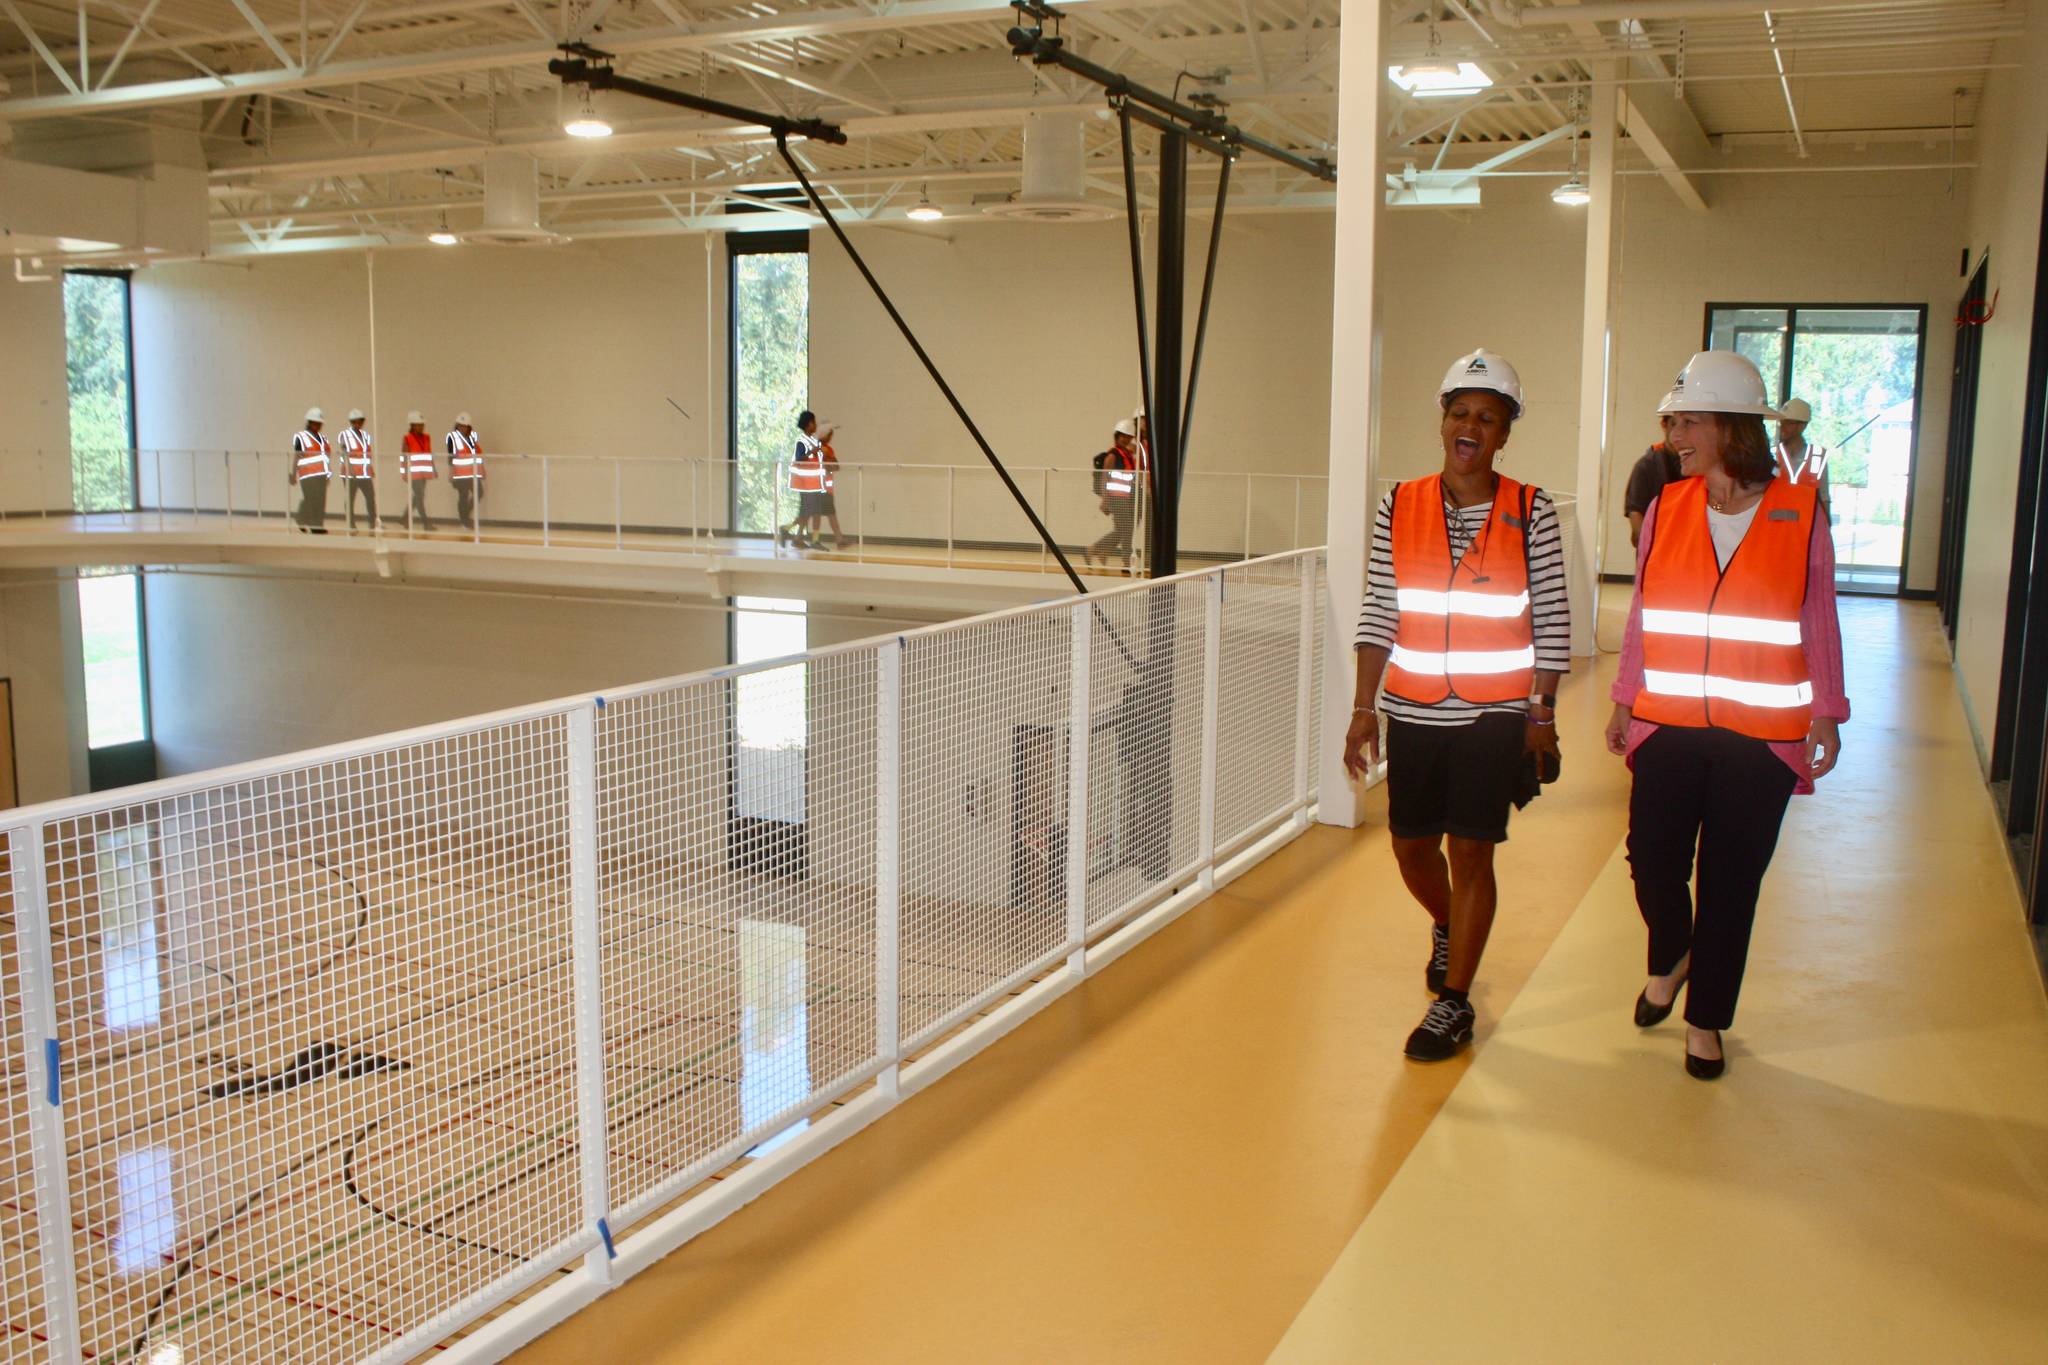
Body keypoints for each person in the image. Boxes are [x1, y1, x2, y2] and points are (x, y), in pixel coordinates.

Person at [1604, 351, 1848, 1081]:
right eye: (1673, 419)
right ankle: (1671, 952)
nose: (1674, 433)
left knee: (1731, 882)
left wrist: (1828, 713)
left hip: (1761, 733)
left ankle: (1705, 1018)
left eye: (1689, 420)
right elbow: (1646, 610)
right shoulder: (1667, 507)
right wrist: (1624, 697)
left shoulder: (1801, 511)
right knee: (1651, 861)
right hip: (1669, 721)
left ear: (1732, 427)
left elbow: (1820, 618)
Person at [1343, 348, 1571, 1062]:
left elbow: (1553, 620)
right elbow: (1381, 606)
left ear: (1505, 434)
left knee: (1472, 849)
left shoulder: (1531, 508)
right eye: (1461, 412)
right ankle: (1449, 923)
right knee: (1411, 846)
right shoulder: (1400, 503)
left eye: (1488, 417)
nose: (1471, 426)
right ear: (1443, 422)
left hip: (1493, 712)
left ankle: (1456, 1002)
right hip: (1413, 705)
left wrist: (1542, 714)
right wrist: (1362, 706)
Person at [1085, 419, 1142, 572]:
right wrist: (1105, 500)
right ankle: (1124, 562)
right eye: (1122, 436)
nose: (1125, 438)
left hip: (1126, 497)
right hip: (1116, 498)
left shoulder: (1127, 453)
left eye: (1128, 436)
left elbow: (1138, 447)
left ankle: (1099, 551)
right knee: (1127, 529)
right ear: (1116, 436)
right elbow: (1104, 477)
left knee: (1123, 530)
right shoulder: (1113, 455)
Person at [1623, 414, 1684, 547]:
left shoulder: (1700, 465)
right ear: (1664, 425)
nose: (1680, 433)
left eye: (1687, 424)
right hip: (1658, 557)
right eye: (1674, 424)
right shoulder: (1647, 466)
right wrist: (1650, 550)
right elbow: (1636, 516)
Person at [782, 411, 834, 549]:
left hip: (815, 483)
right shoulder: (802, 442)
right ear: (809, 424)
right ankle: (787, 529)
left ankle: (807, 538)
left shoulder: (813, 441)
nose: (816, 425)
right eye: (814, 422)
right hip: (805, 484)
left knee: (814, 512)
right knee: (808, 512)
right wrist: (813, 451)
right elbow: (799, 459)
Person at [1774, 397, 1834, 511]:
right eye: (1781, 423)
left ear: (1802, 426)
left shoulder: (1817, 457)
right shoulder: (1772, 455)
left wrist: (1827, 526)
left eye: (1788, 423)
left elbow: (1824, 497)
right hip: (1776, 526)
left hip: (1806, 526)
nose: (1782, 427)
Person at [290, 406, 332, 534]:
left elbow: (326, 457)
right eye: (315, 423)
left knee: (320, 500)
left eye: (319, 423)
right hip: (307, 474)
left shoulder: (323, 439)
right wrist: (293, 474)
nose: (318, 425)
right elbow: (297, 456)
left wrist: (328, 473)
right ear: (309, 422)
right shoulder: (301, 437)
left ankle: (317, 526)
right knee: (311, 499)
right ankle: (304, 520)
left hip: (321, 475)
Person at [338, 408, 378, 531]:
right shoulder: (345, 435)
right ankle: (350, 524)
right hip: (350, 474)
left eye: (359, 422)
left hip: (365, 473)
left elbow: (366, 454)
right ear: (351, 422)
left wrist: (370, 469)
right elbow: (345, 453)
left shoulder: (366, 436)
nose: (357, 424)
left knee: (370, 497)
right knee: (350, 499)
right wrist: (351, 469)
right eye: (355, 422)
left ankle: (373, 523)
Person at [447, 412, 484, 531]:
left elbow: (477, 454)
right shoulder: (453, 438)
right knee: (463, 496)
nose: (462, 428)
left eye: (465, 426)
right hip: (460, 474)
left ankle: (465, 516)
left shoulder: (473, 437)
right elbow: (451, 457)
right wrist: (451, 473)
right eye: (460, 425)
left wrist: (481, 470)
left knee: (479, 493)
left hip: (473, 473)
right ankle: (464, 520)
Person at [401, 411, 436, 530]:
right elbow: (404, 458)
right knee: (420, 497)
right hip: (413, 473)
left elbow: (429, 454)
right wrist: (404, 473)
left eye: (422, 424)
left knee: (418, 497)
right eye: (418, 424)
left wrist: (433, 469)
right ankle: (425, 523)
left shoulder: (427, 437)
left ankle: (404, 518)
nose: (421, 427)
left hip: (424, 473)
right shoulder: (407, 438)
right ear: (412, 425)